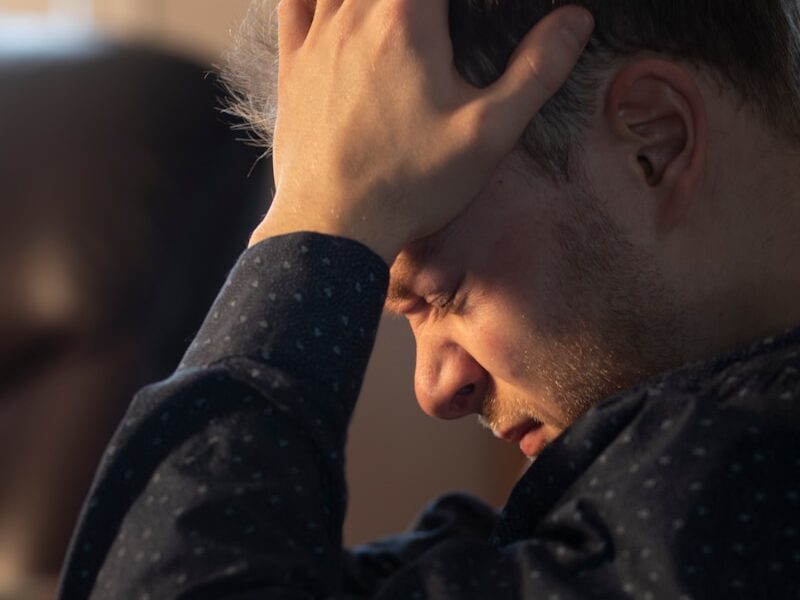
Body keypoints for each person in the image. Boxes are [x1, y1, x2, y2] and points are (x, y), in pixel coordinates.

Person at [59, 0, 799, 598]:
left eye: (444, 296)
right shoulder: (671, 497)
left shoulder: (738, 495)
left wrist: (321, 222)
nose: (437, 389)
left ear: (656, 144)